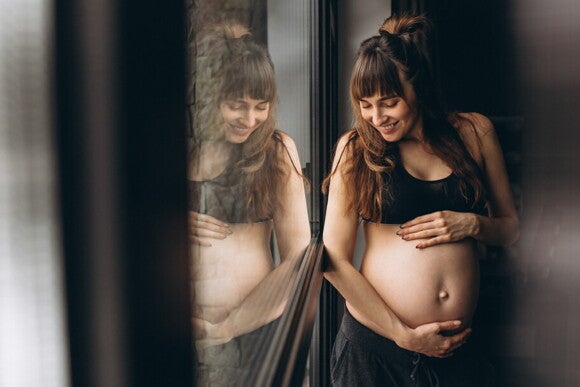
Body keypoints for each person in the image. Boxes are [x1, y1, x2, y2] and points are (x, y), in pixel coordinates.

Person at [322, 13, 519, 386]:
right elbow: (333, 260)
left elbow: (508, 229)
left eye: (389, 102)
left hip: (458, 350)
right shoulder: (355, 149)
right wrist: (403, 334)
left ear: (418, 88)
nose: (377, 117)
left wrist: (473, 223)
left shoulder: (475, 132)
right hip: (377, 349)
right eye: (365, 105)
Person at [187, 22, 311, 386]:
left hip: (254, 331)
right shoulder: (181, 147)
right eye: (236, 106)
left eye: (261, 106)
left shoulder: (276, 151)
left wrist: (227, 327)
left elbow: (297, 258)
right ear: (211, 98)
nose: (250, 119)